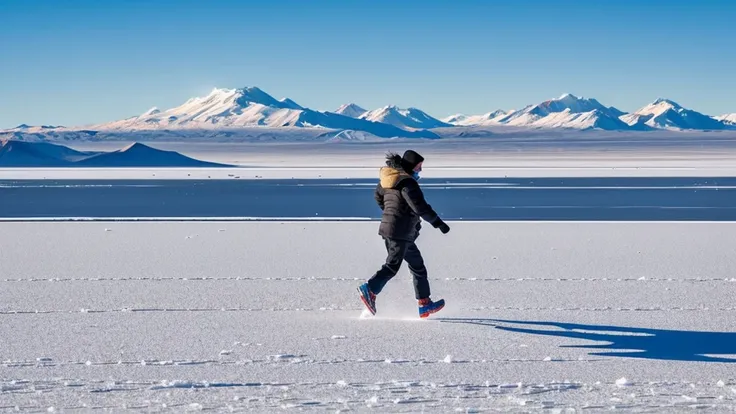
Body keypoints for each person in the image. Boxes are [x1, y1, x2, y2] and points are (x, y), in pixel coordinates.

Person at [358, 150, 450, 318]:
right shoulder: (407, 183)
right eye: (418, 166)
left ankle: (424, 303)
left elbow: (378, 195)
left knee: (417, 266)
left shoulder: (389, 180)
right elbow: (419, 207)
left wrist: (390, 214)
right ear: (410, 166)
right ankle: (370, 289)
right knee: (392, 265)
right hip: (400, 231)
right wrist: (438, 223)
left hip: (396, 230)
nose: (420, 170)